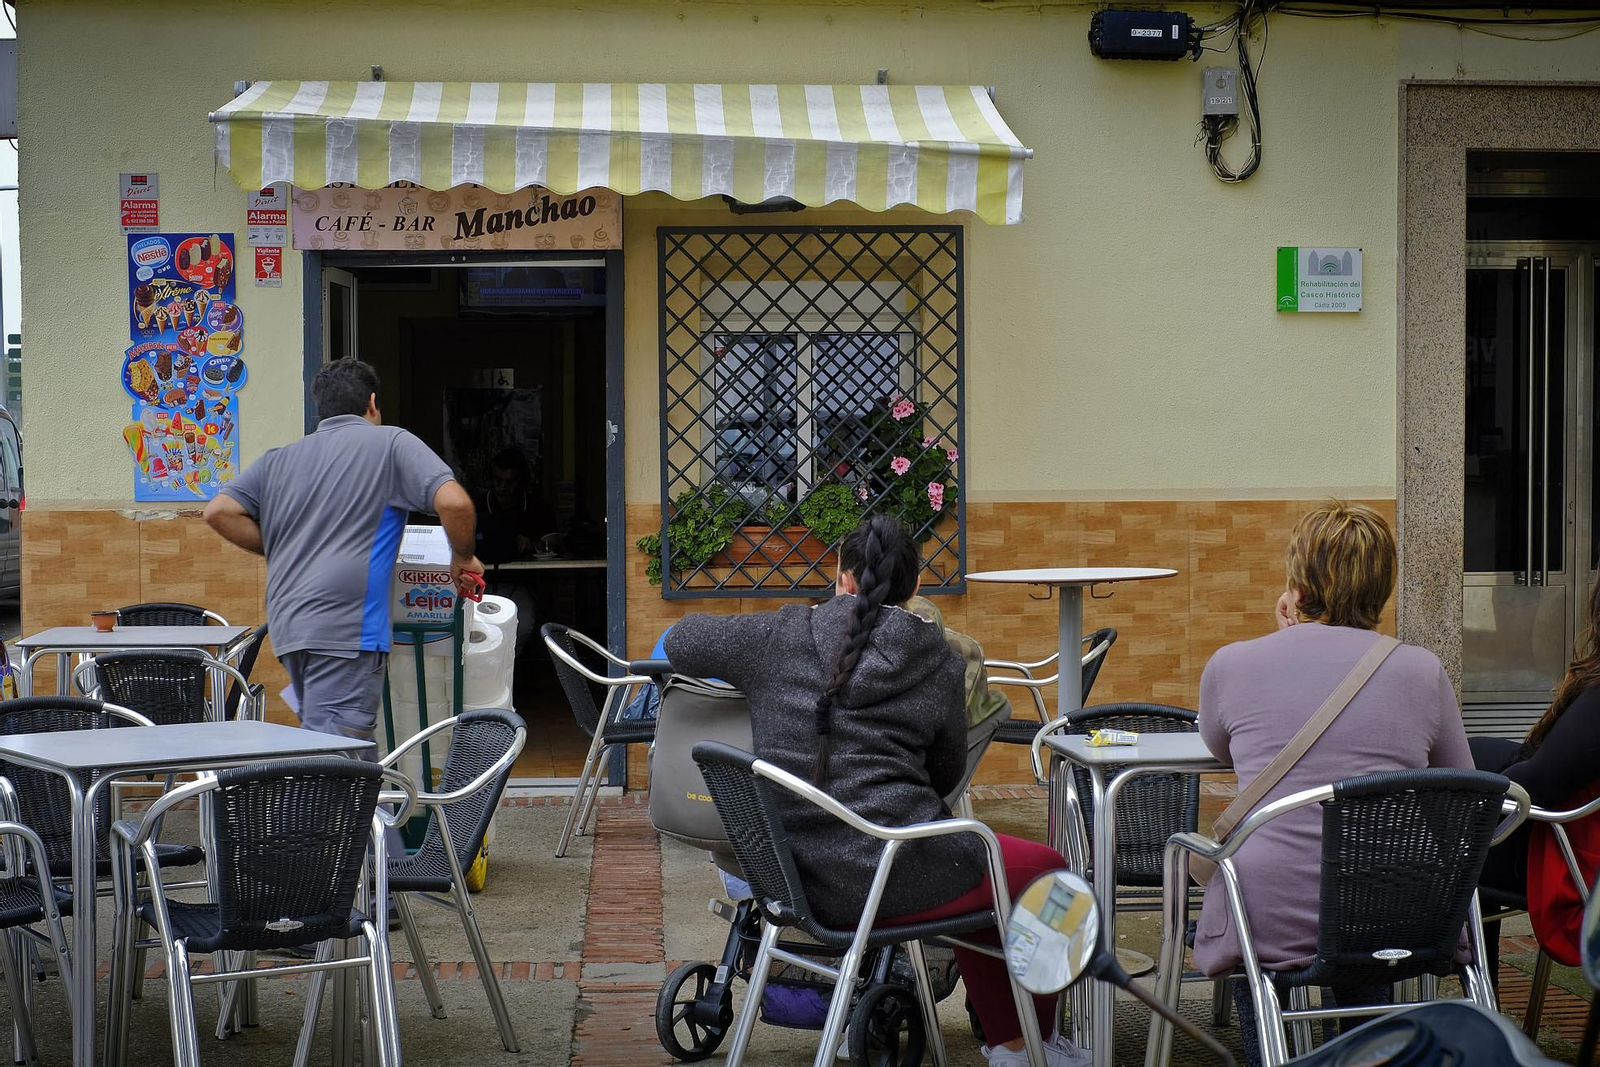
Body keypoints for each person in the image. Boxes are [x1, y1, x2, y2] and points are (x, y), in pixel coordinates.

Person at [664, 515, 1084, 1067]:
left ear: (840, 578)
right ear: (912, 590)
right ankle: (1027, 1047)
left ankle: (1014, 1045)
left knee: (990, 880)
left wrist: (786, 634)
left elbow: (679, 640)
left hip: (791, 880)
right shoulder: (938, 659)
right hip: (891, 873)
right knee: (1050, 876)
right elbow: (947, 774)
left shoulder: (778, 637)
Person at [1194, 502, 1472, 1067]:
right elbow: (1463, 791)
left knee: (1259, 922)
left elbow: (1220, 748)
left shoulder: (1232, 664)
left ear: (1297, 583)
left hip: (1268, 911)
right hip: (1391, 903)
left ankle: (1269, 1054)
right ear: (1383, 584)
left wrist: (1286, 637)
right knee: (1363, 925)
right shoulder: (1422, 670)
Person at [204, 359, 484, 755]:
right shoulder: (390, 443)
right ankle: (329, 818)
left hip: (291, 628)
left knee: (339, 746)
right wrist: (463, 557)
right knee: (337, 761)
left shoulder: (279, 458)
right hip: (345, 630)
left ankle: (367, 815)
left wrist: (284, 545)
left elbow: (218, 511)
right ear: (372, 403)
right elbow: (455, 504)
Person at [1473, 580, 1600, 969]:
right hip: (1581, 845)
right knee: (1478, 755)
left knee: (1458, 834)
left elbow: (1535, 785)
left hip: (1576, 878)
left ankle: (1476, 984)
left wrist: (1474, 795)